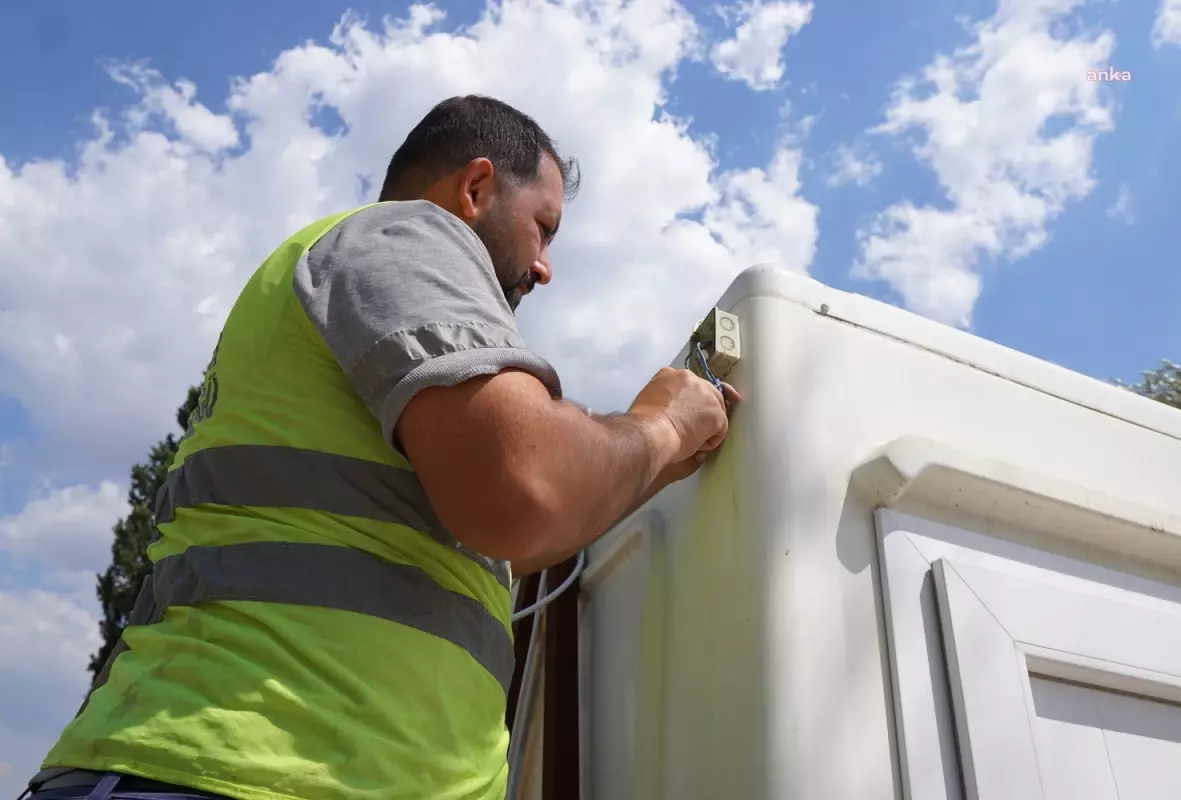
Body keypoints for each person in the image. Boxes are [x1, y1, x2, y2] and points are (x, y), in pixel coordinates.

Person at [23, 95, 738, 800]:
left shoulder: (349, 296)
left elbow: (500, 537)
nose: (546, 267)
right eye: (543, 228)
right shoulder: (405, 236)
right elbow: (524, 492)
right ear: (475, 188)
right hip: (239, 768)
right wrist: (662, 425)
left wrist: (652, 470)